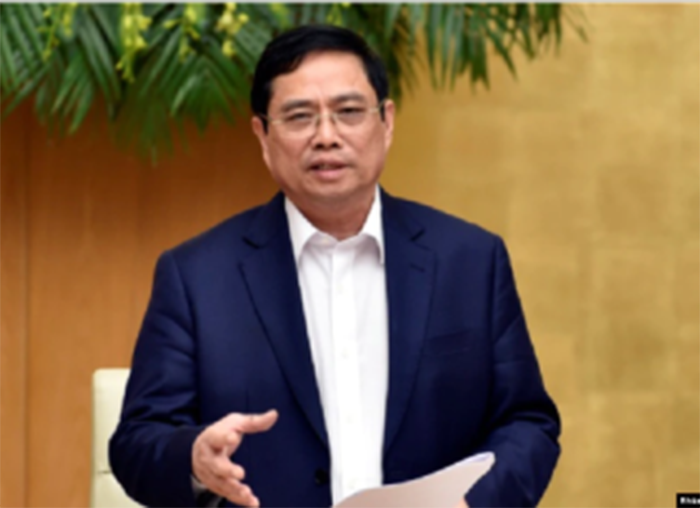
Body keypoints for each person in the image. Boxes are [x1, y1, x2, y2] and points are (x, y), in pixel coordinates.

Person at [109, 24, 560, 508]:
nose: (326, 136)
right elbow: (137, 442)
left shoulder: (470, 261)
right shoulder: (197, 277)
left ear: (386, 122)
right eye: (299, 117)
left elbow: (527, 424)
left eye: (348, 112)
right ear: (263, 135)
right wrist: (194, 458)